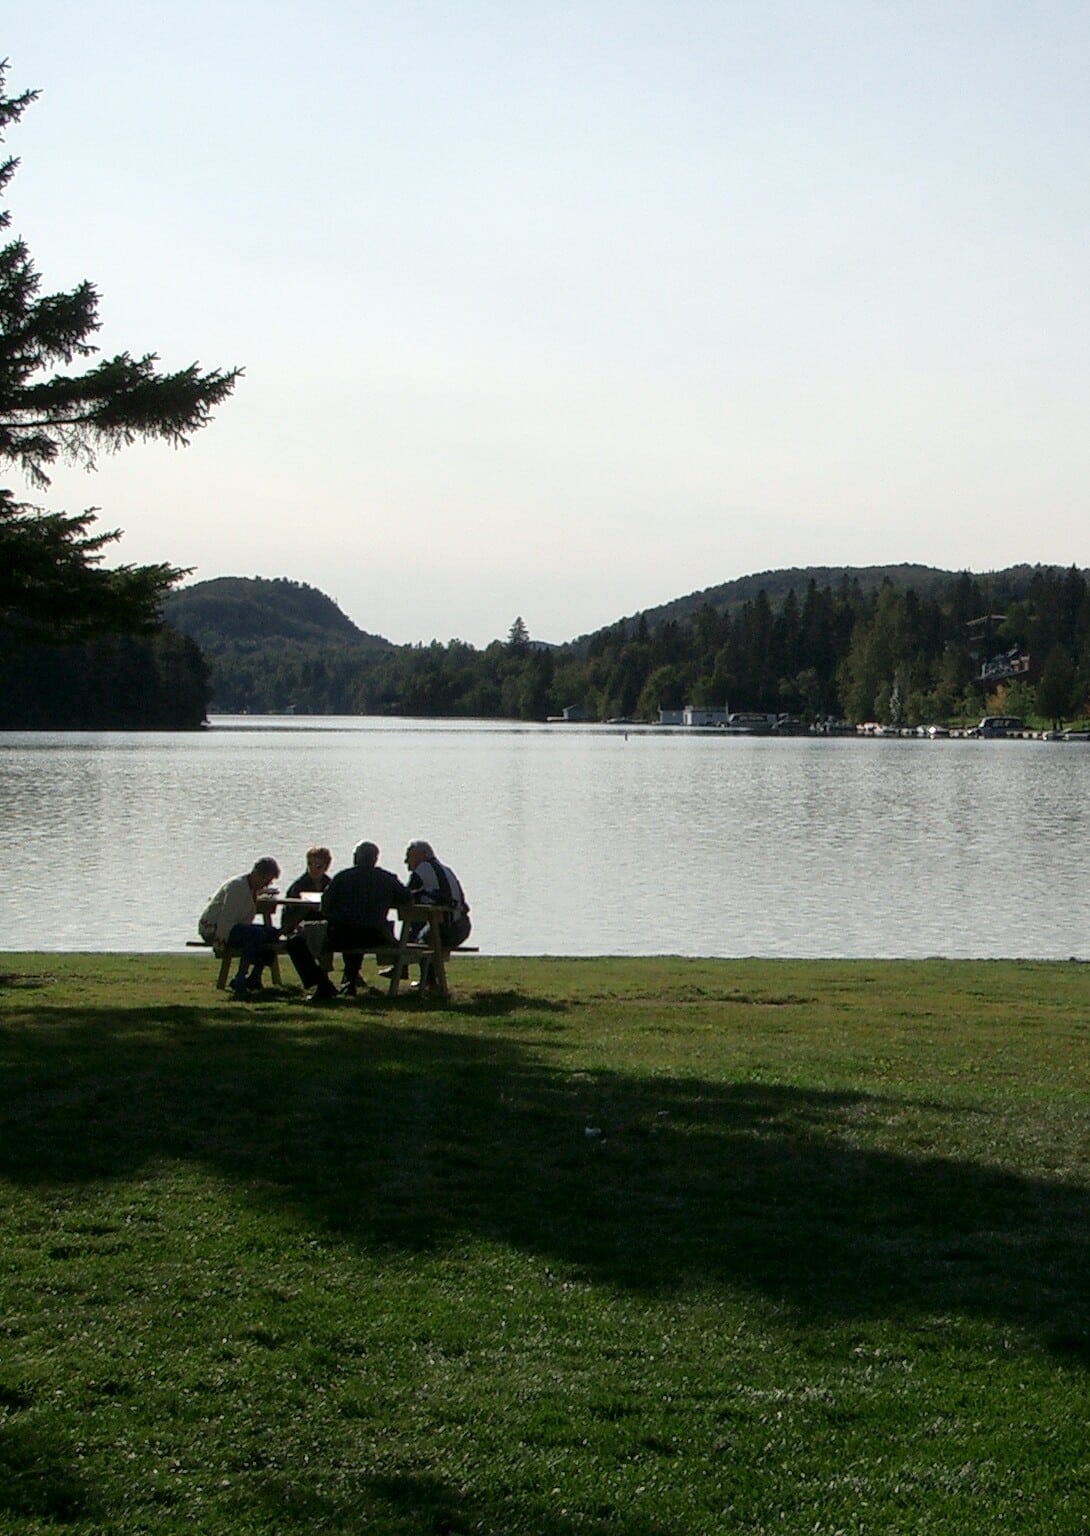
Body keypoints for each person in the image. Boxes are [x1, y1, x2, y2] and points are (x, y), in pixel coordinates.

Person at [287, 840, 411, 1002]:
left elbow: (325, 907)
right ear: (375, 859)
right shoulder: (387, 879)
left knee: (294, 942)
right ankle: (349, 981)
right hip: (375, 936)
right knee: (357, 929)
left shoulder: (342, 878)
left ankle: (324, 985)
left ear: (355, 857)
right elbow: (407, 898)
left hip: (342, 935)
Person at [198, 857, 281, 995]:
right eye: (266, 881)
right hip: (214, 929)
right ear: (257, 874)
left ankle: (255, 977)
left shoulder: (253, 889)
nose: (266, 885)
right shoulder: (237, 887)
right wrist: (220, 943)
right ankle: (240, 978)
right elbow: (226, 917)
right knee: (256, 935)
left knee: (271, 933)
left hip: (234, 927)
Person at [401, 839, 471, 990]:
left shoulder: (423, 868)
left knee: (422, 940)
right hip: (462, 927)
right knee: (418, 928)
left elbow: (404, 896)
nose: (406, 861)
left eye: (409, 856)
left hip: (446, 929)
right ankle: (404, 969)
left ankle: (428, 982)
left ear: (422, 855)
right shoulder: (446, 869)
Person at [279, 846, 333, 935]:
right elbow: (288, 920)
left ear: (326, 866)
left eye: (318, 866)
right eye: (310, 864)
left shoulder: (329, 884)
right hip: (301, 928)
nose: (313, 869)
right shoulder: (298, 887)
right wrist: (307, 907)